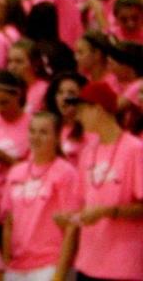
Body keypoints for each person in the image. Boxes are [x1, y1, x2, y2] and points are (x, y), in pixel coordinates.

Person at [60, 81, 143, 281]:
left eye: (81, 110)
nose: (78, 116)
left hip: (124, 267)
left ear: (97, 109)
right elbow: (83, 205)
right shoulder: (87, 152)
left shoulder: (135, 150)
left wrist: (107, 212)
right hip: (87, 263)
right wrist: (69, 217)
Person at [0, 111, 81, 281]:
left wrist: (59, 274)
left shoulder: (66, 173)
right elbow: (8, 222)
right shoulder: (16, 172)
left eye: (43, 132)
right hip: (17, 267)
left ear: (57, 137)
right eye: (32, 131)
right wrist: (7, 262)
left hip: (50, 264)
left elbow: (71, 227)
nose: (36, 137)